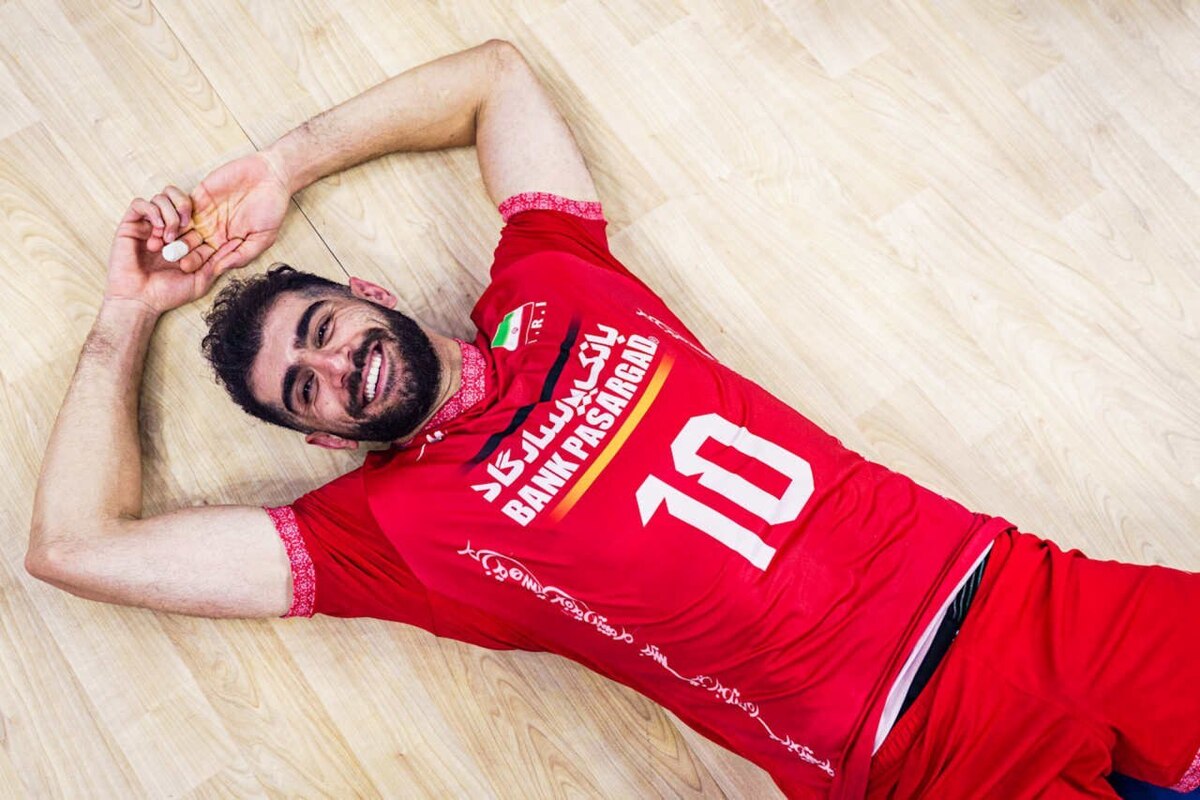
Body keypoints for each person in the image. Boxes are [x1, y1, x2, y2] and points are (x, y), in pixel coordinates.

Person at [27, 39, 1200, 800]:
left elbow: (497, 78)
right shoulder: (386, 531)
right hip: (914, 754)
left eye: (324, 327)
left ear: (371, 295)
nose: (335, 365)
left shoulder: (553, 282)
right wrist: (126, 310)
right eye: (306, 387)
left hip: (1032, 591)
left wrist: (283, 166)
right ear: (325, 436)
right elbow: (74, 546)